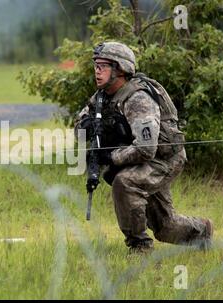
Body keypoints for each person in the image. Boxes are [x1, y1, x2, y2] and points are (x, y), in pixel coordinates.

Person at [74, 41, 213, 253]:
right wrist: (86, 126)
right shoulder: (102, 97)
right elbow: (80, 126)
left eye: (103, 65)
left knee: (125, 182)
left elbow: (146, 148)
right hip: (142, 159)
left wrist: (111, 158)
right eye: (96, 65)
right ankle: (201, 232)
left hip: (163, 159)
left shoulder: (138, 98)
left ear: (120, 69)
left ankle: (140, 247)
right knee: (164, 227)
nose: (97, 71)